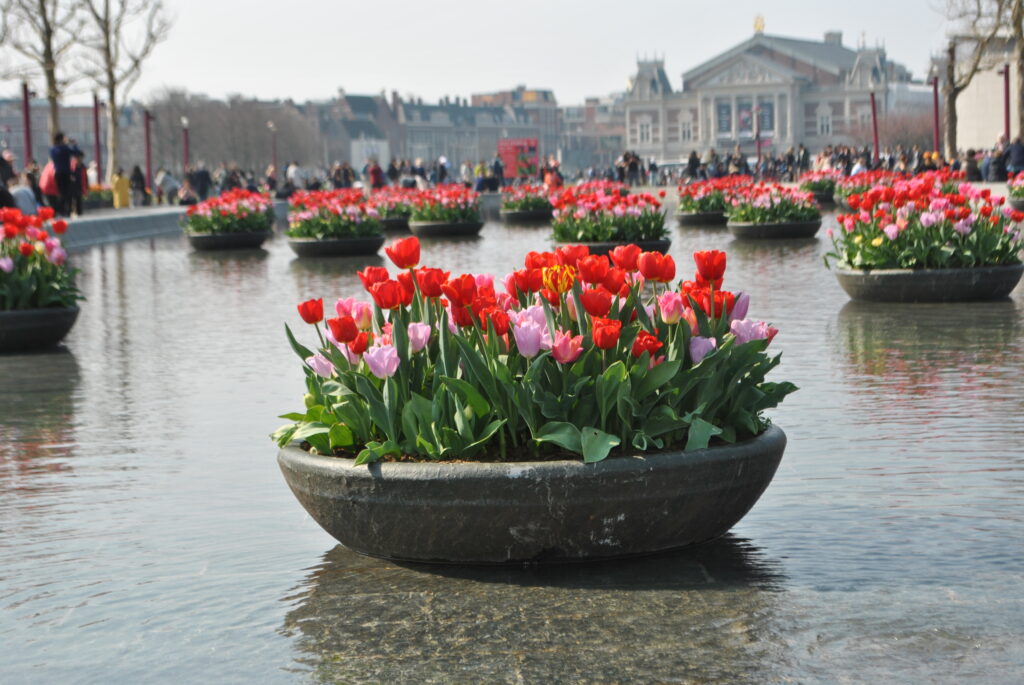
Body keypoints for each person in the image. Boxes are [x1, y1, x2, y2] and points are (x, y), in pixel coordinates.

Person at [49, 132, 81, 216]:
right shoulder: (65, 148)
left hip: (57, 173)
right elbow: (76, 153)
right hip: (66, 174)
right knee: (67, 193)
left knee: (60, 193)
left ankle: (59, 210)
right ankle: (65, 210)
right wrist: (74, 144)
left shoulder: (53, 149)